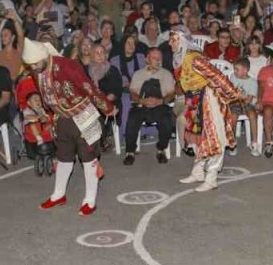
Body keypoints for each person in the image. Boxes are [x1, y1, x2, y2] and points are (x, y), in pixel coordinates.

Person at [23, 39, 114, 215]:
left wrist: (107, 108)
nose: (33, 67)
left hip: (82, 117)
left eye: (35, 64)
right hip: (61, 118)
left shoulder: (68, 66)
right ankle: (58, 194)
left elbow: (89, 88)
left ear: (44, 56)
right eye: (30, 65)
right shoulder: (38, 68)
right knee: (63, 157)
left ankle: (90, 200)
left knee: (88, 158)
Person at [170, 28, 243, 191]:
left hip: (209, 99)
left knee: (213, 137)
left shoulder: (195, 58)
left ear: (181, 41)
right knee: (196, 136)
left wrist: (233, 94)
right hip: (193, 99)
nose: (170, 43)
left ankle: (212, 178)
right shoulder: (179, 59)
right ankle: (198, 172)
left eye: (173, 40)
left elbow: (216, 76)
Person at [123, 47, 177, 165]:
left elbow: (171, 94)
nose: (157, 60)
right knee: (132, 121)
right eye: (154, 58)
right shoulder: (139, 74)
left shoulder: (166, 74)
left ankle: (161, 149)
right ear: (147, 59)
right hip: (141, 105)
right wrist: (142, 101)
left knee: (167, 122)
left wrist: (161, 101)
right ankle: (130, 152)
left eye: (159, 58)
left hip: (160, 105)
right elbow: (132, 94)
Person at [226, 57, 261, 155]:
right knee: (233, 116)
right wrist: (235, 98)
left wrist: (239, 97)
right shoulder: (233, 77)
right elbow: (230, 92)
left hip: (247, 103)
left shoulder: (253, 82)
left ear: (245, 70)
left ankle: (254, 143)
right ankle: (232, 142)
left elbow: (248, 100)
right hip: (235, 102)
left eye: (237, 69)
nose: (235, 71)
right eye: (235, 69)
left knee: (253, 115)